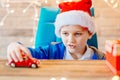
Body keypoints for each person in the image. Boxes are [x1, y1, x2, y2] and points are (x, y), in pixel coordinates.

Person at [7, 0, 105, 62]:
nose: (71, 40)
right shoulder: (51, 51)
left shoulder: (101, 58)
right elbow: (29, 53)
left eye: (77, 34)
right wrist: (15, 46)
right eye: (65, 33)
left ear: (90, 34)